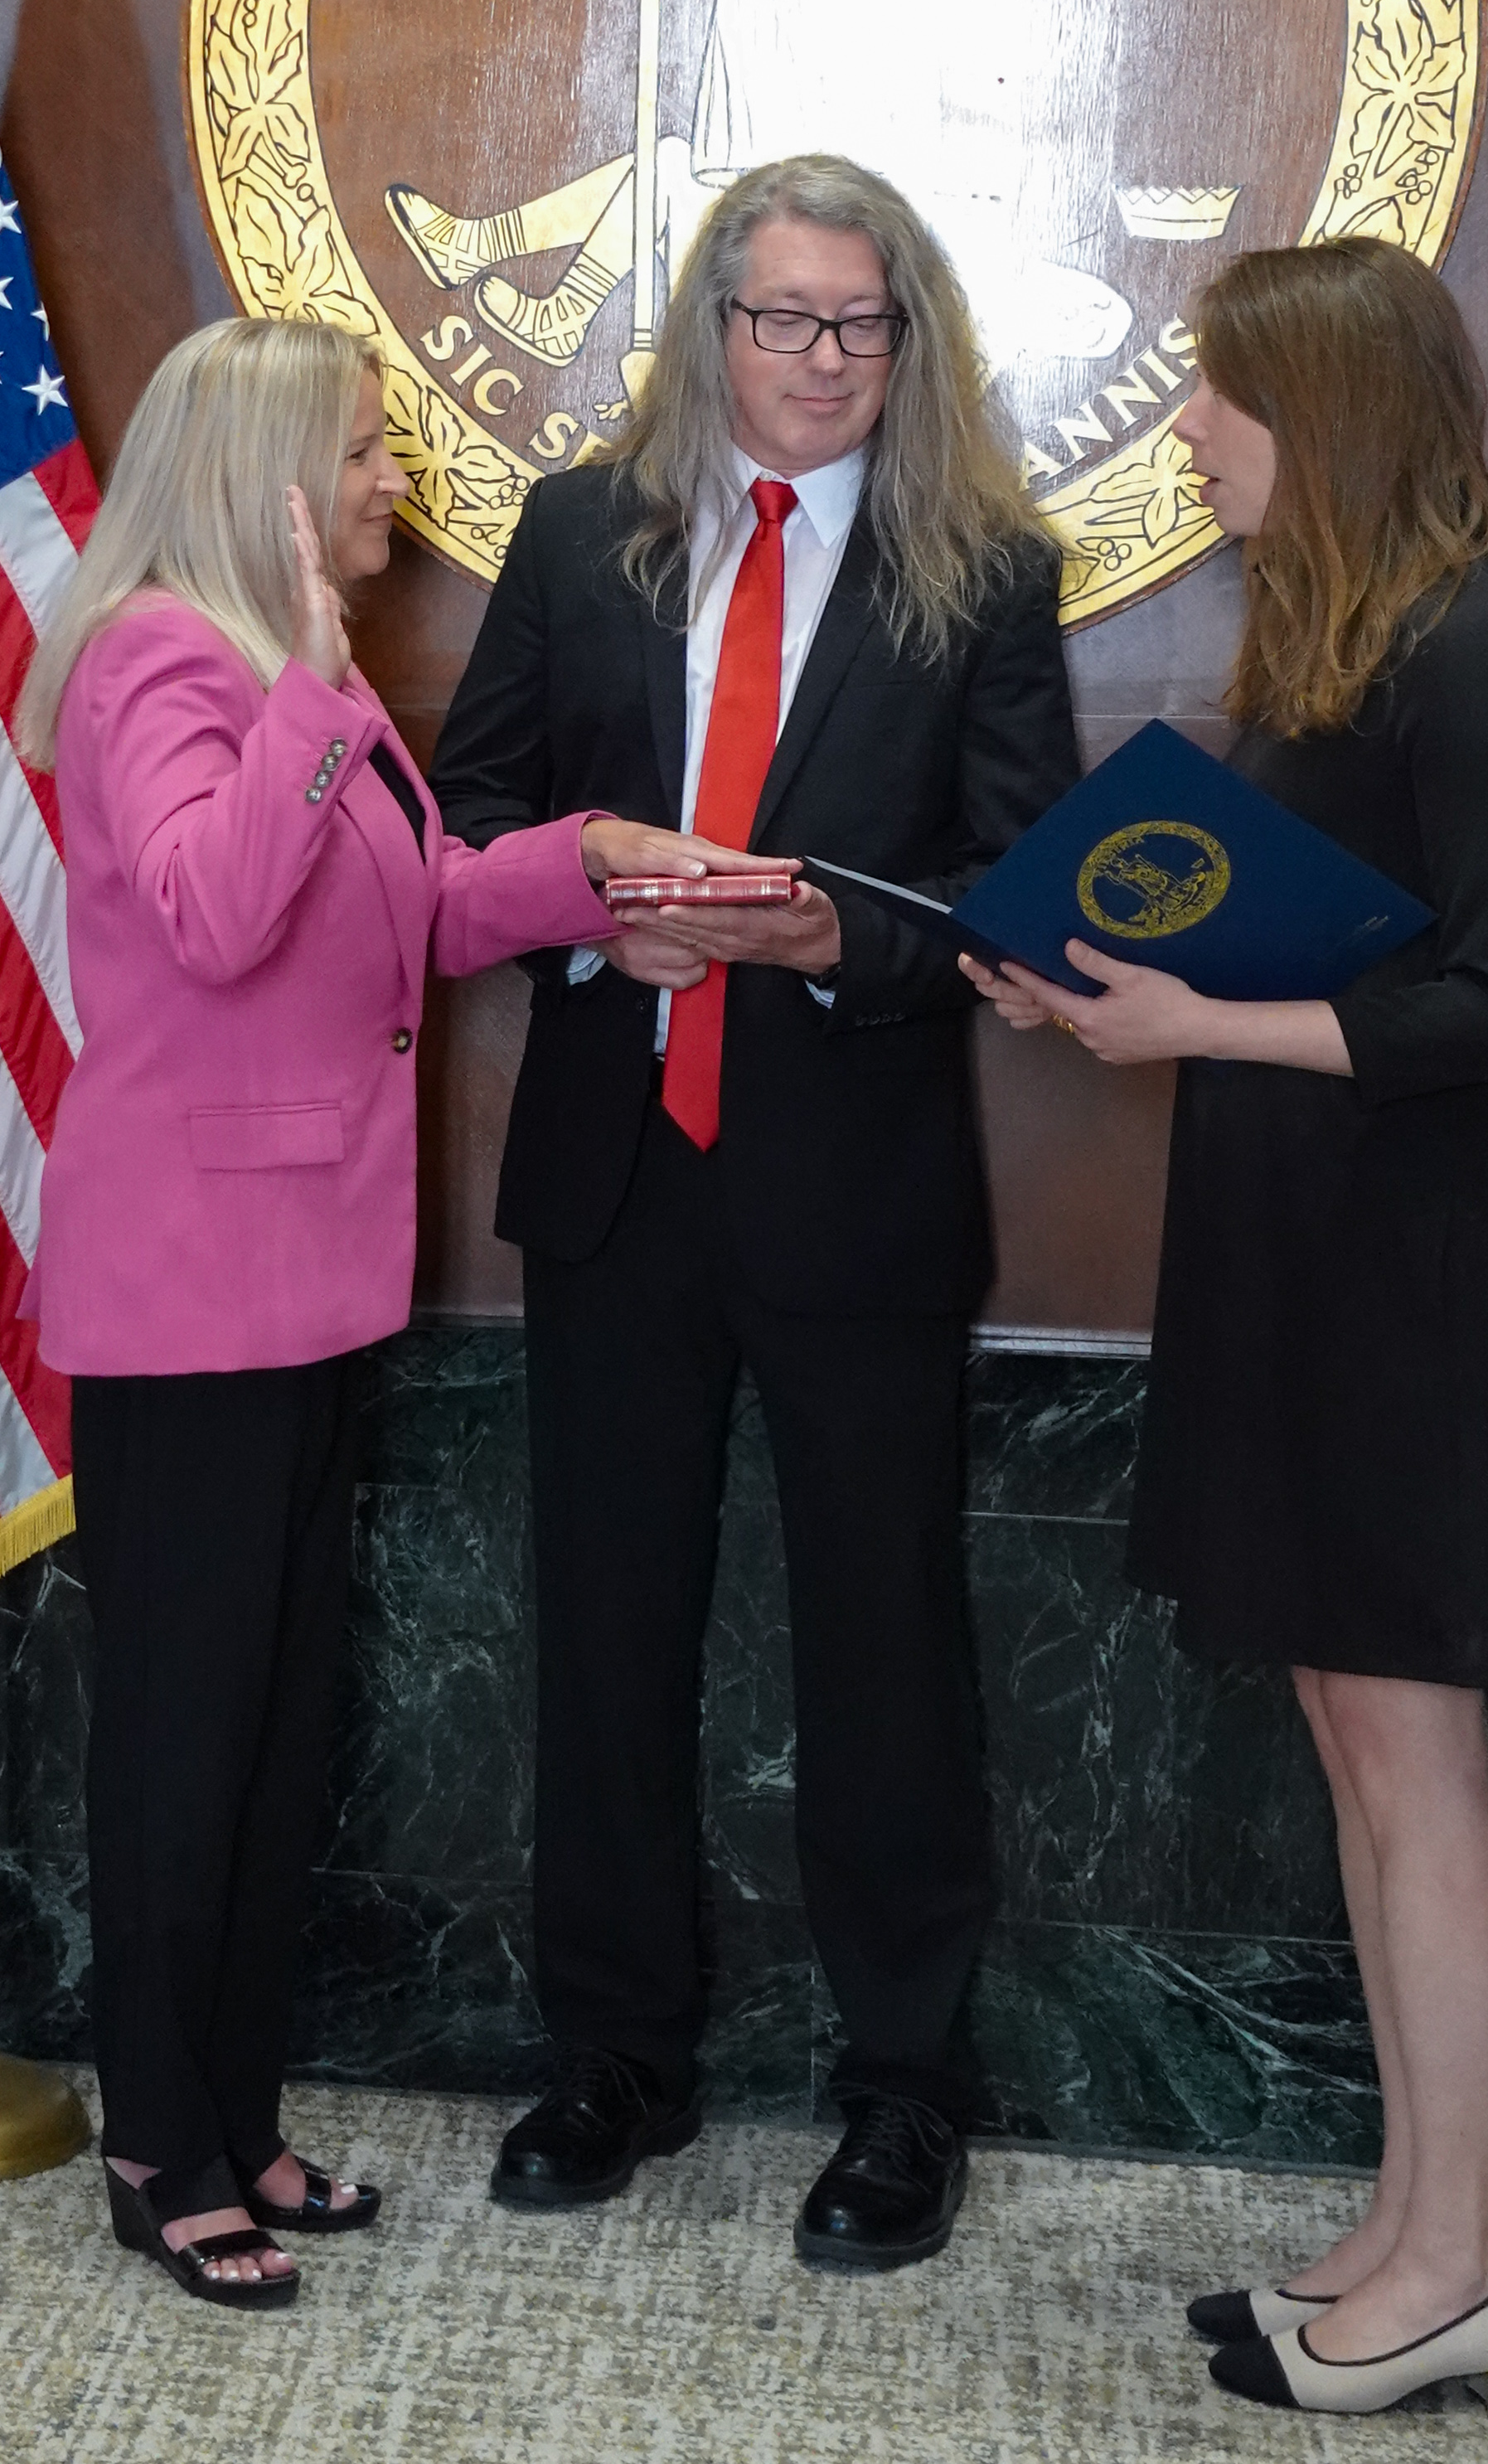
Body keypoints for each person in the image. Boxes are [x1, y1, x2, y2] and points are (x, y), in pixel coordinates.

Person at [17, 318, 715, 2311]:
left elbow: (410, 909)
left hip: (307, 1283)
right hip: (188, 1293)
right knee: (182, 1733)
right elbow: (220, 913)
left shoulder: (283, 677)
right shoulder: (165, 655)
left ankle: (233, 2111)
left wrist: (592, 868)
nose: (395, 474)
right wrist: (315, 699)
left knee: (270, 1720)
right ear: (267, 477)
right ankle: (158, 2142)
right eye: (367, 445)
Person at [429, 149, 1080, 2272]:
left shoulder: (976, 566)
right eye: (781, 317)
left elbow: (1024, 884)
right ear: (708, 323)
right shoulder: (579, 532)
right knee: (605, 1638)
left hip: (858, 1185)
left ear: (914, 339)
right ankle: (617, 2051)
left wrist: (823, 943)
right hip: (620, 1171)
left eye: (860, 324)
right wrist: (606, 915)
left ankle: (903, 2089)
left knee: (886, 1651)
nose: (818, 361)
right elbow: (473, 816)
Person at [970, 240, 1488, 2420]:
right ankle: (1422, 2223)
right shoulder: (1349, 628)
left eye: (1216, 399)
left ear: (1313, 411)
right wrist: (1096, 984)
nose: (1186, 435)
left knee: (1418, 1761)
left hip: (1424, 1289)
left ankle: (1466, 2259)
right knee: (1356, 1739)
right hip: (1309, 1260)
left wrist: (1194, 1018)